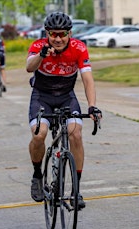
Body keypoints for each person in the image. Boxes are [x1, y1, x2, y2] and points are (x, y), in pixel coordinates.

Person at [26, 12, 102, 209]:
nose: (58, 39)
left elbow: (87, 79)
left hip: (67, 97)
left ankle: (76, 189)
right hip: (42, 97)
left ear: (70, 33)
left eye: (62, 34)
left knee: (76, 134)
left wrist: (92, 106)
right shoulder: (38, 46)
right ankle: (37, 174)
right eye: (53, 34)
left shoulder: (79, 48)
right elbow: (28, 67)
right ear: (47, 34)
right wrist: (41, 55)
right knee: (39, 135)